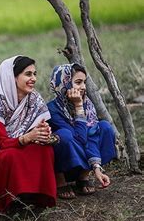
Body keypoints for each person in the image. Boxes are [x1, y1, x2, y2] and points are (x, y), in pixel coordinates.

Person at [0, 56, 57, 215]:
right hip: (1, 152)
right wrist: (27, 138)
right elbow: (1, 142)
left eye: (35, 74)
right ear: (13, 77)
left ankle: (36, 199)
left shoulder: (35, 99)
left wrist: (43, 132)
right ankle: (10, 202)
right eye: (28, 74)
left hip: (24, 146)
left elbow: (39, 127)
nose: (33, 79)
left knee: (44, 150)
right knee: (10, 156)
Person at [48, 63, 115, 199]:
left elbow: (91, 137)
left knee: (104, 127)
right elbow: (80, 138)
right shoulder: (51, 109)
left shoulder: (88, 105)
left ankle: (83, 175)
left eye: (84, 82)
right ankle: (59, 180)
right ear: (64, 83)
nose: (83, 87)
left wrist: (96, 168)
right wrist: (78, 107)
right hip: (64, 162)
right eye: (78, 82)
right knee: (64, 135)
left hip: (82, 157)